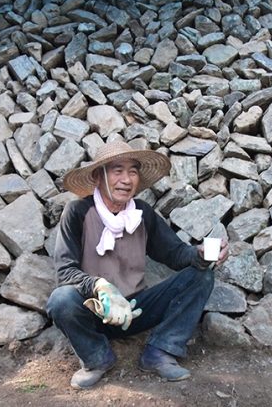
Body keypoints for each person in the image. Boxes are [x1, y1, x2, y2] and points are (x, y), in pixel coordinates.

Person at [46, 140, 229, 389]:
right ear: (99, 177)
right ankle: (97, 359)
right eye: (117, 171)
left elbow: (174, 253)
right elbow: (65, 272)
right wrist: (99, 285)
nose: (126, 179)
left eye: (132, 171)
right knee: (61, 299)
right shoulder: (77, 212)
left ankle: (159, 352)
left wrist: (200, 254)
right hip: (96, 311)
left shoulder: (142, 213)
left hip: (136, 310)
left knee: (201, 276)